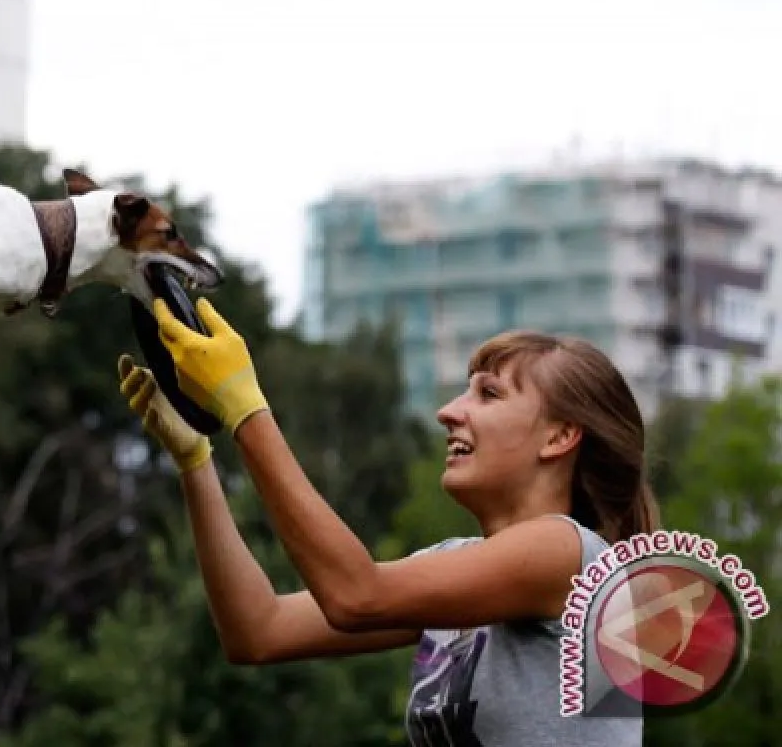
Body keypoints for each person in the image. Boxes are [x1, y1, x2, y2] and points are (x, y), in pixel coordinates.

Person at [116, 296, 659, 747]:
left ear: (560, 437)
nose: (450, 411)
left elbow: (355, 594)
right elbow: (258, 631)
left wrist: (246, 407)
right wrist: (197, 461)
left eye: (489, 394)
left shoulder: (567, 554)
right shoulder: (455, 566)